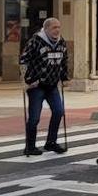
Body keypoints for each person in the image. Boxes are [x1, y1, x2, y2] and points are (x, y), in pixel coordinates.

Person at [19, 17, 70, 156]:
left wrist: (64, 77)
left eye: (59, 27)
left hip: (52, 85)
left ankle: (51, 142)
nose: (57, 30)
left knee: (59, 111)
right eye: (54, 27)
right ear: (46, 28)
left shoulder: (61, 42)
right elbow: (24, 60)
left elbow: (64, 60)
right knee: (34, 117)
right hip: (37, 85)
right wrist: (27, 80)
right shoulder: (35, 41)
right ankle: (30, 146)